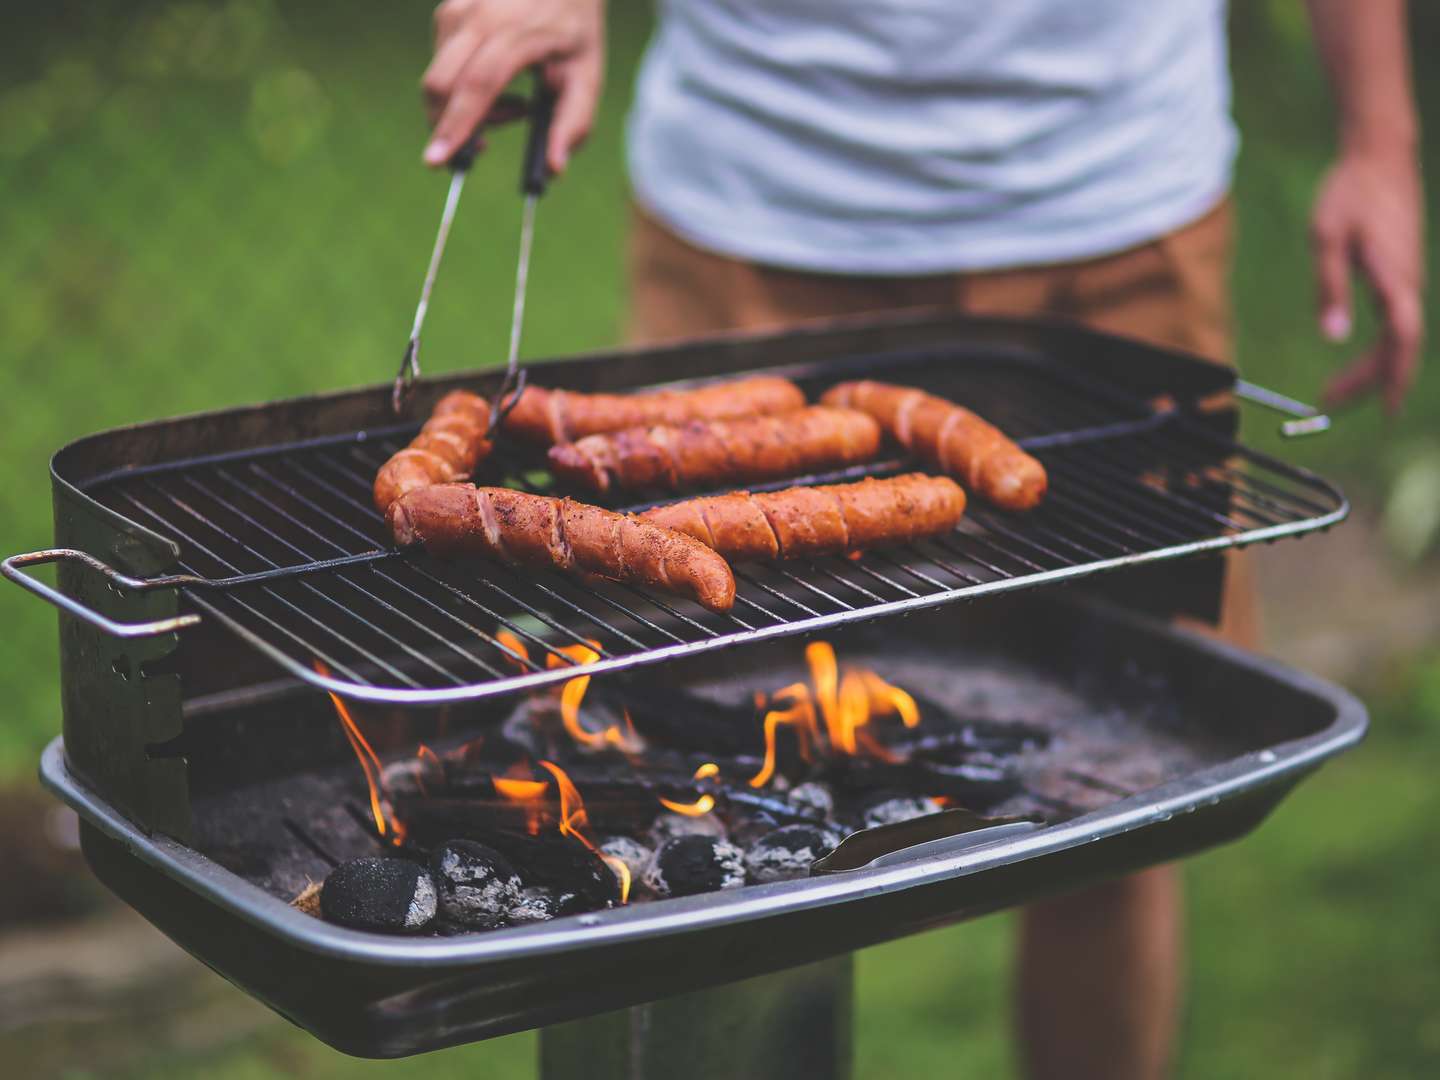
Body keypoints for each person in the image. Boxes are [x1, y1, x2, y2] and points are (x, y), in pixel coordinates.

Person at [419, 2, 1423, 1077]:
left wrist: (1378, 140)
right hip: (756, 198)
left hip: (1115, 205)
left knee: (1122, 809)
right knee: (689, 808)